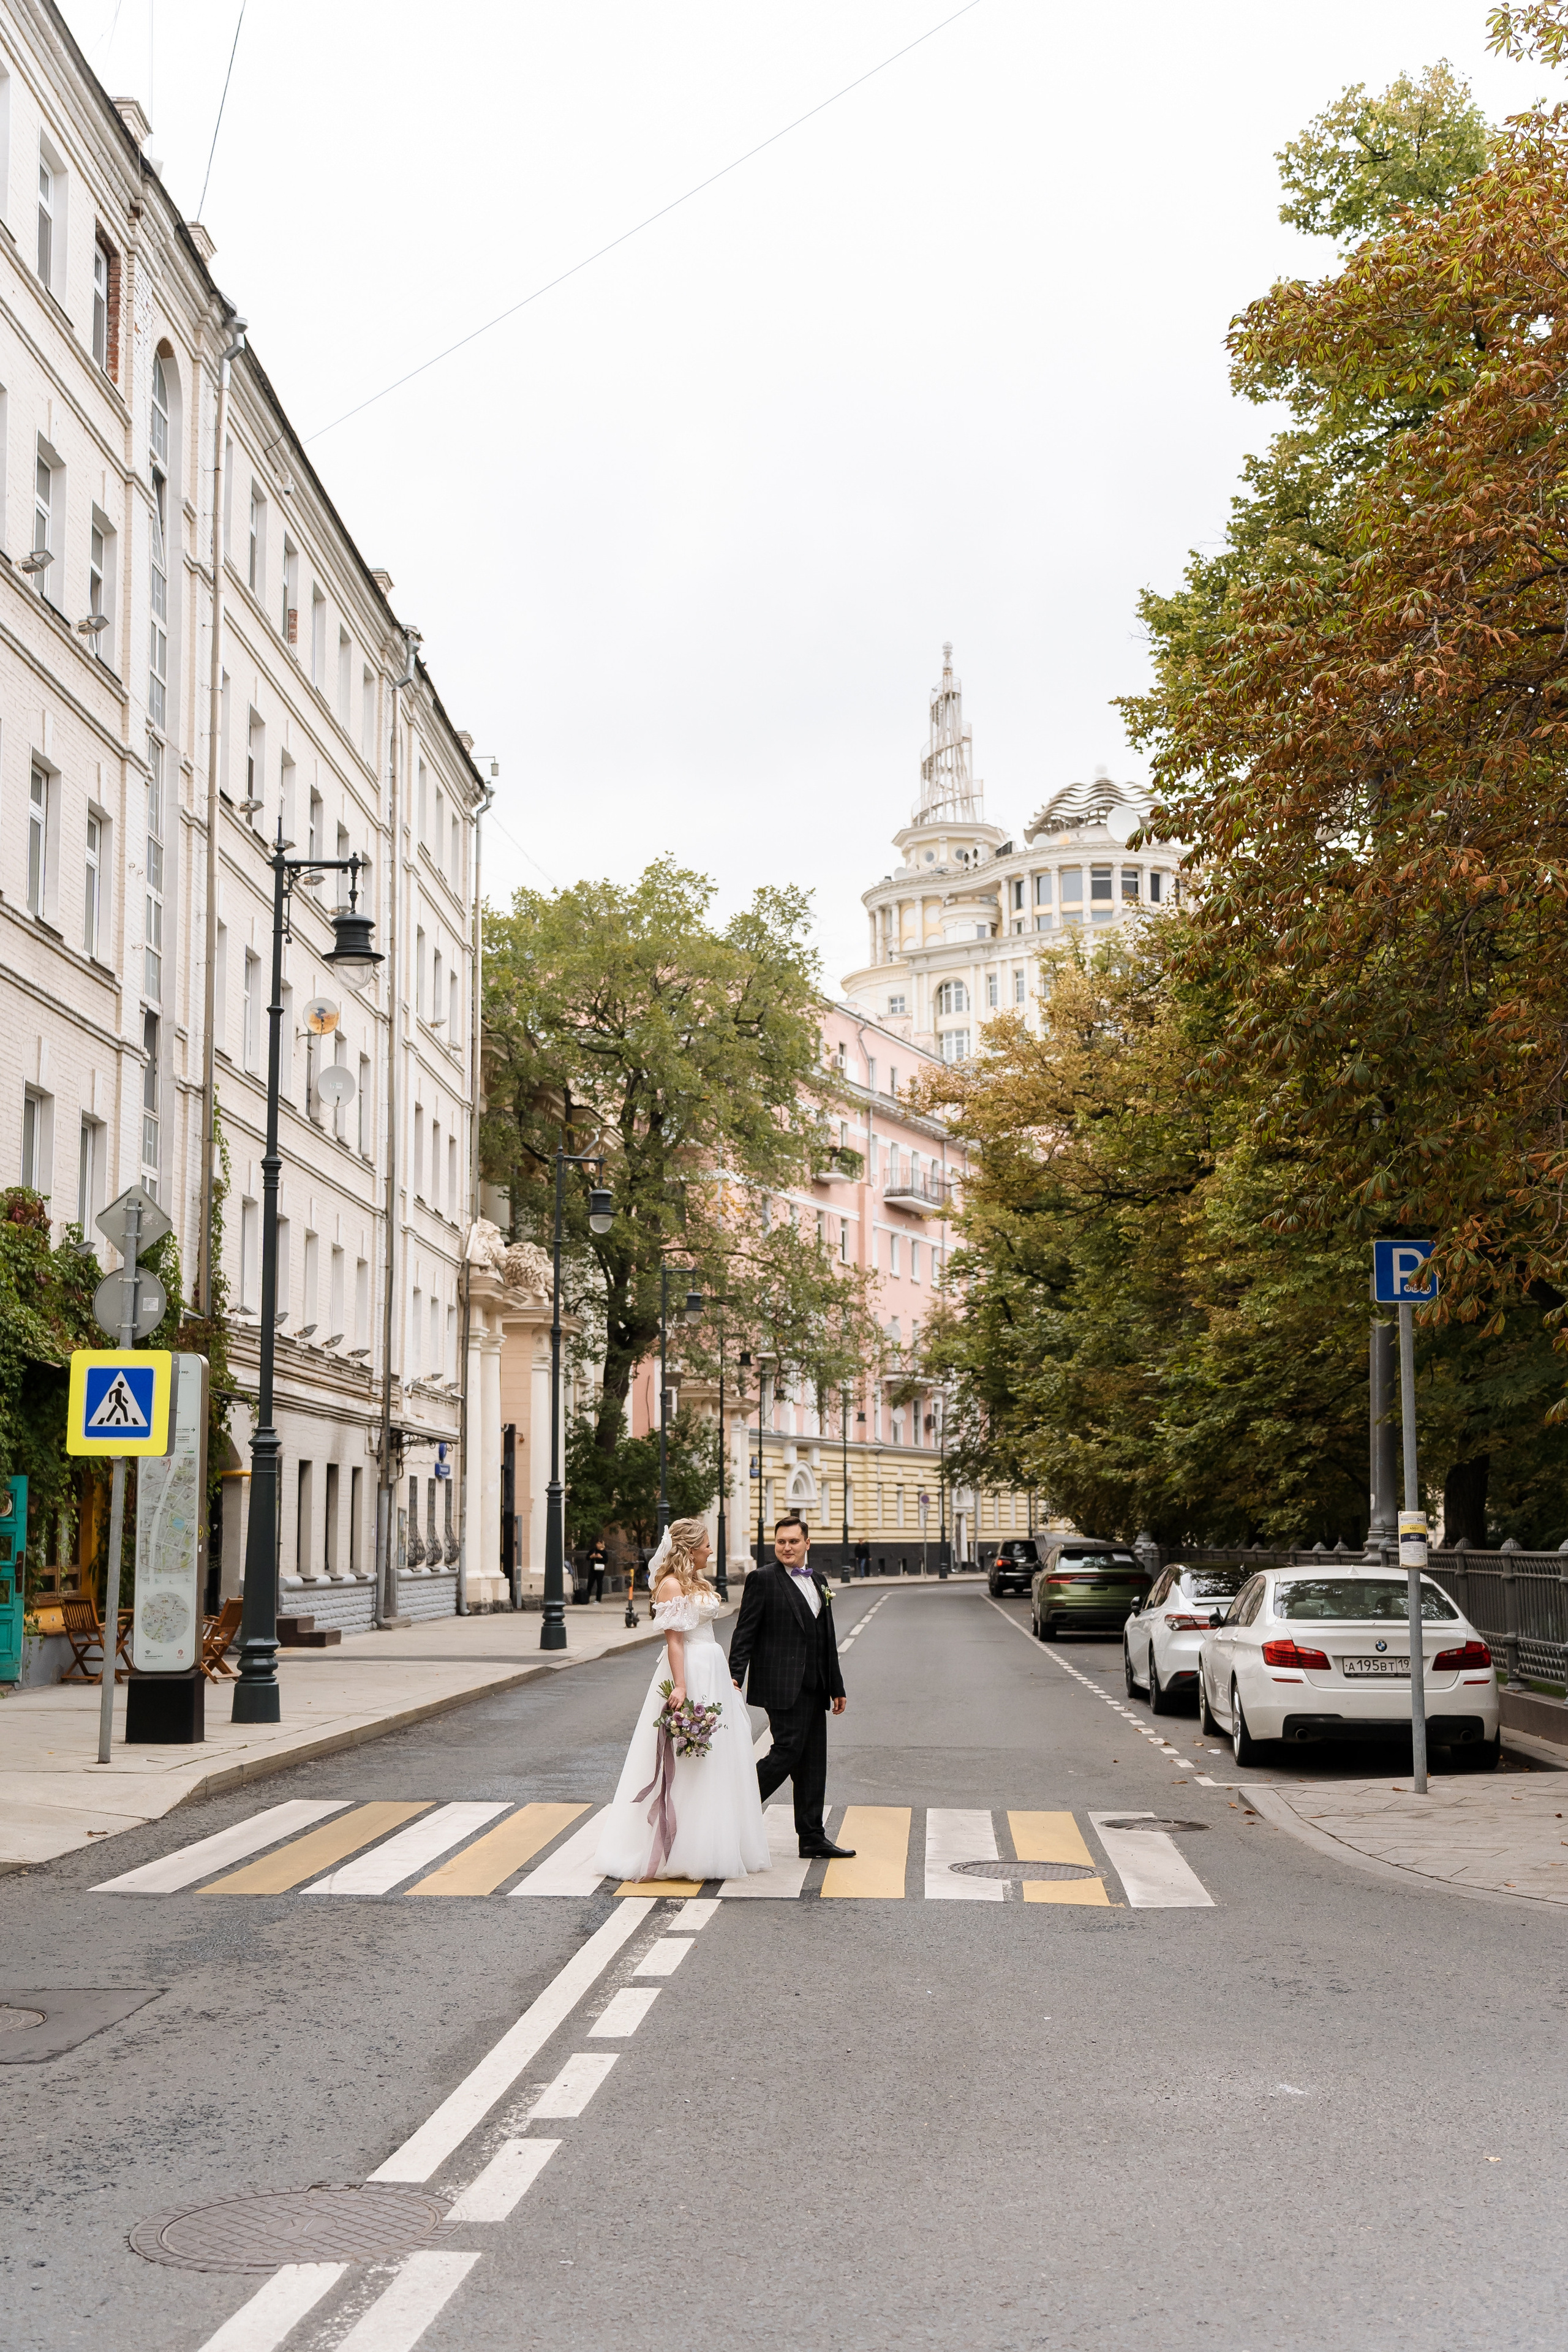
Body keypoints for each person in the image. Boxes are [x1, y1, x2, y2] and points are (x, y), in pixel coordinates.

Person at [591, 1517, 769, 1885]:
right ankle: (681, 1848)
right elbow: (674, 1641)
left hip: (712, 1667)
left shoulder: (697, 1582)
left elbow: (705, 1632)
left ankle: (711, 1842)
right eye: (706, 1545)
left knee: (716, 1757)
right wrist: (682, 1686)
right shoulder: (671, 1585)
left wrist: (726, 1679)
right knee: (690, 1756)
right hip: (691, 1670)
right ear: (689, 1548)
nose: (710, 1550)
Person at [727, 1513, 856, 1861]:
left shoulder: (819, 1580)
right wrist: (734, 1676)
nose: (787, 1547)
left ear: (807, 1543)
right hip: (780, 1684)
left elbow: (827, 1637)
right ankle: (731, 1806)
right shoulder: (762, 1579)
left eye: (793, 1541)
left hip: (815, 1685)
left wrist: (836, 1686)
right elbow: (745, 1631)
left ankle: (812, 1837)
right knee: (786, 1751)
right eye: (781, 1542)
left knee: (813, 1762)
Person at [585, 1537, 608, 1606]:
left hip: (600, 1570)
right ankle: (586, 1598)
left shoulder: (604, 1552)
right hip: (593, 1569)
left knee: (599, 1584)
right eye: (597, 1544)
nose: (598, 1545)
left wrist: (601, 1557)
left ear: (602, 1544)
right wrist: (592, 1557)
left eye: (600, 1544)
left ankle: (598, 1599)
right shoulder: (593, 1550)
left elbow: (606, 1561)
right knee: (590, 1583)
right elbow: (587, 1558)